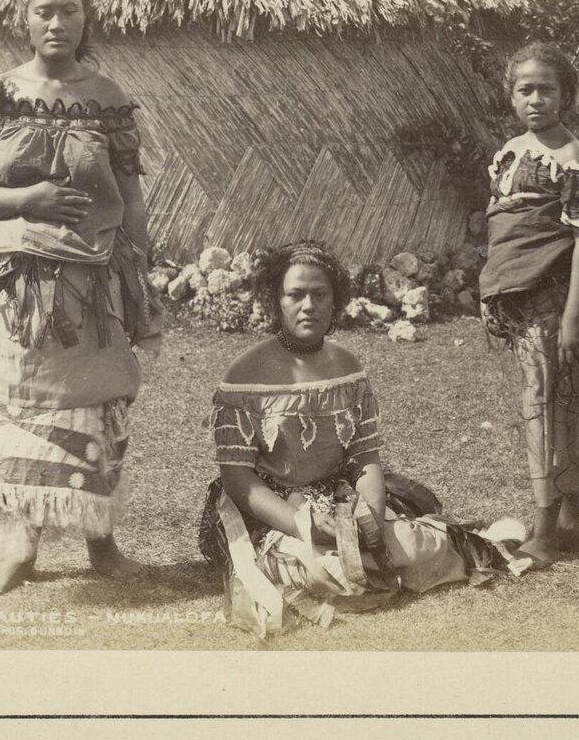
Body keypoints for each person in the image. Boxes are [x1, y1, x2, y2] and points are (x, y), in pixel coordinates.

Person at [0, 0, 162, 593]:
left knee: (96, 406)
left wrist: (139, 271)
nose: (57, 22)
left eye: (69, 9)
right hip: (10, 289)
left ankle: (101, 543)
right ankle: (21, 547)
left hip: (92, 284)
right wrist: (27, 199)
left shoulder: (108, 99)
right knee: (21, 410)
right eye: (44, 11)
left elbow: (130, 196)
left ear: (87, 18)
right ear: (25, 19)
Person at [198, 241, 530, 637]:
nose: (308, 306)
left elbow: (365, 457)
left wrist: (368, 519)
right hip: (270, 511)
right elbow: (238, 478)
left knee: (407, 549)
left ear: (335, 300)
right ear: (276, 300)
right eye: (295, 294)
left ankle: (473, 542)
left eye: (320, 294)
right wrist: (303, 525)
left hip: (337, 499)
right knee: (322, 568)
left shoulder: (348, 368)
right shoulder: (244, 375)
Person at [478, 43, 579, 566]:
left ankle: (542, 534)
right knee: (554, 401)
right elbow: (506, 231)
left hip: (552, 299)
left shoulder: (570, 157)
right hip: (520, 298)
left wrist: (572, 318)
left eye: (547, 89)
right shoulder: (513, 150)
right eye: (525, 90)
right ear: (511, 95)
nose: (535, 99)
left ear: (567, 95)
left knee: (545, 407)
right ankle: (570, 524)